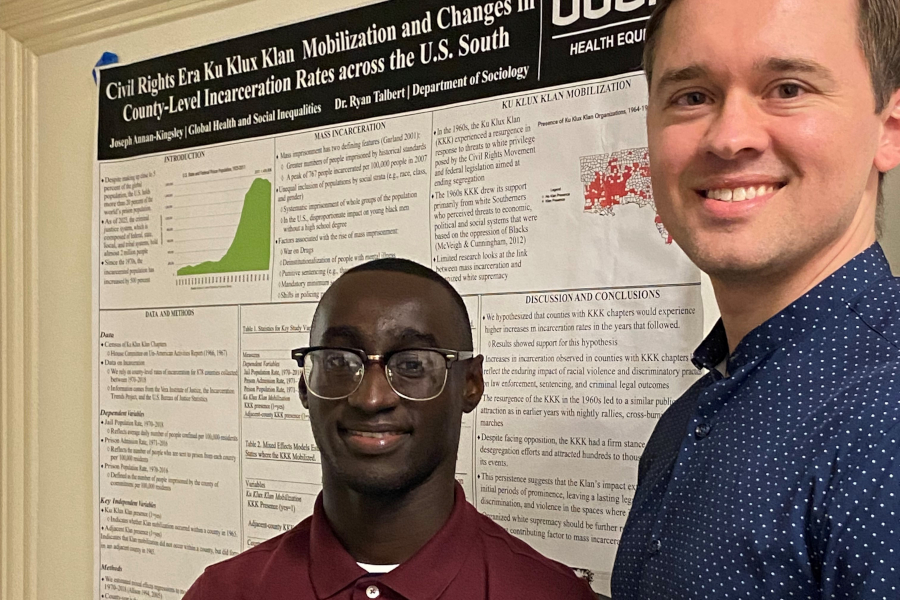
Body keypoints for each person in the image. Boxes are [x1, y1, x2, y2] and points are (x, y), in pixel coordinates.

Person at [611, 0, 900, 597]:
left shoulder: (887, 416)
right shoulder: (689, 418)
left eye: (788, 88)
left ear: (889, 130)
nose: (728, 137)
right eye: (692, 96)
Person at [183, 259, 595, 600]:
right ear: (305, 387)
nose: (371, 397)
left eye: (413, 364)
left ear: (470, 384)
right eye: (340, 362)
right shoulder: (223, 591)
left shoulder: (549, 593)